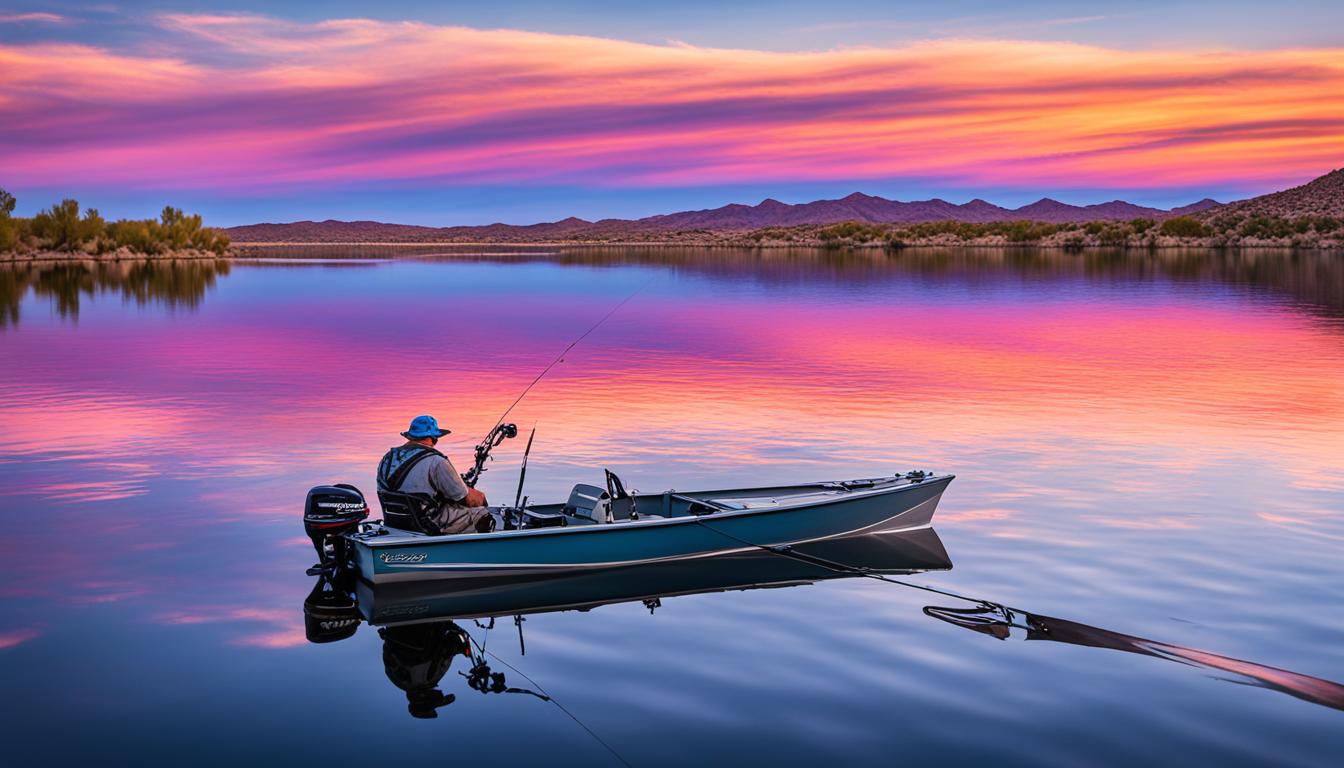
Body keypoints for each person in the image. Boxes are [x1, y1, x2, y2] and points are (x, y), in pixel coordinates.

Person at [377, 415, 491, 534]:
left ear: (410, 436)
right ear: (434, 437)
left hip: (395, 522)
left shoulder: (387, 458)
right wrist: (481, 497)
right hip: (426, 524)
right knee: (482, 513)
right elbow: (464, 498)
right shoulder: (437, 461)